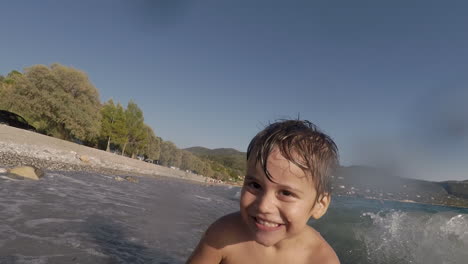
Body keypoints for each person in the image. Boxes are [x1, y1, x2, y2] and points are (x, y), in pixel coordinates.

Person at [187, 120, 340, 264]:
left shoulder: (320, 260)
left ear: (320, 205)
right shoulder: (224, 234)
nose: (263, 207)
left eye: (286, 193)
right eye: (255, 185)